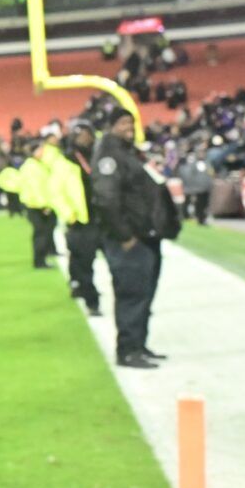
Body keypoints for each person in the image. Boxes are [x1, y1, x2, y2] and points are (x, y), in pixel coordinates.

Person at [91, 111, 167, 369]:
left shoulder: (129, 153)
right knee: (131, 295)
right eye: (123, 123)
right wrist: (124, 235)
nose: (130, 128)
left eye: (131, 123)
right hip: (129, 238)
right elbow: (106, 198)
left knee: (143, 294)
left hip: (145, 235)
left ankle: (139, 345)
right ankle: (128, 350)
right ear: (111, 127)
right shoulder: (109, 156)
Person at [59, 122, 102, 317]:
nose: (86, 139)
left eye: (88, 135)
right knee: (83, 261)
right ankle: (91, 299)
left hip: (102, 217)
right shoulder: (66, 161)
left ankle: (80, 286)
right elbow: (57, 192)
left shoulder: (99, 156)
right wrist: (70, 215)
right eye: (81, 136)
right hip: (80, 220)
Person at [179, 152, 213, 226]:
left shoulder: (207, 164)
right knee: (198, 204)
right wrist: (191, 187)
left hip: (206, 188)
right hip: (196, 188)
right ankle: (199, 218)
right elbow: (190, 176)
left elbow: (211, 174)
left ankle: (202, 218)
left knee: (204, 204)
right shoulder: (193, 165)